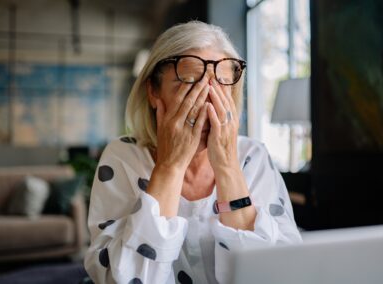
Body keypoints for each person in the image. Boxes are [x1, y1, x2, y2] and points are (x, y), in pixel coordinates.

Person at [84, 21, 302, 284]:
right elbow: (120, 279)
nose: (205, 103)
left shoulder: (253, 157)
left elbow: (277, 274)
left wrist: (228, 167)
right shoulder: (124, 157)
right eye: (188, 83)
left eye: (221, 83)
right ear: (153, 91)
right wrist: (171, 165)